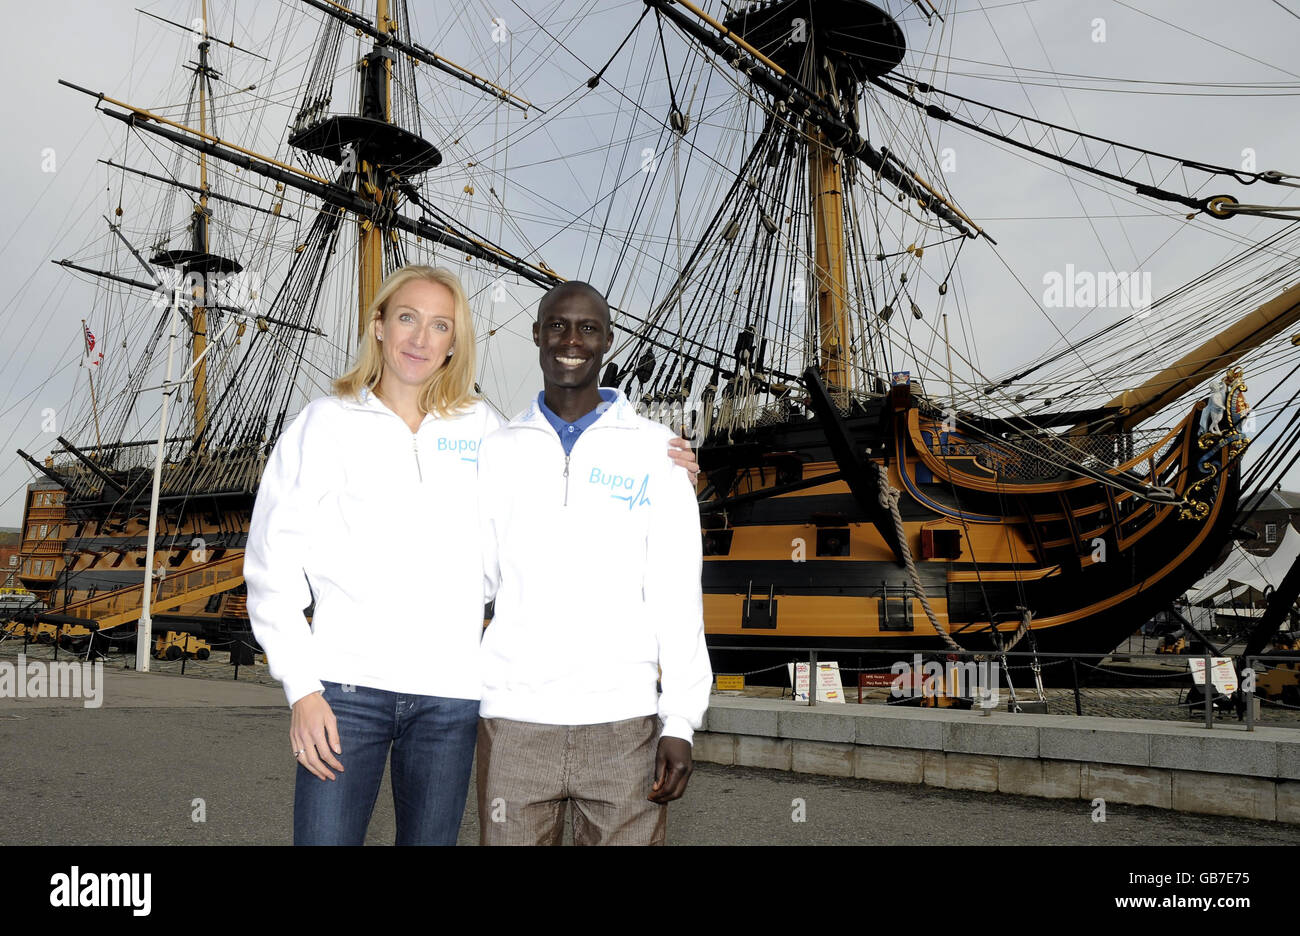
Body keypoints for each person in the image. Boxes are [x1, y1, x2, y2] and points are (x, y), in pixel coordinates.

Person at [246, 265, 698, 845]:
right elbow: (271, 566)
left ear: (454, 342)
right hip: (345, 689)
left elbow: (537, 523)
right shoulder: (322, 424)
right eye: (406, 318)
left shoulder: (486, 430)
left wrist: (676, 474)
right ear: (378, 325)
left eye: (439, 325)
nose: (419, 338)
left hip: (450, 696)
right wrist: (301, 687)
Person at [476, 280, 712, 846]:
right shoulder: (498, 450)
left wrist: (679, 720)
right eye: (557, 325)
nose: (571, 340)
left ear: (607, 340)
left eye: (587, 328)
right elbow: (468, 583)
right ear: (536, 334)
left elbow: (677, 594)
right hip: (514, 720)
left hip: (624, 722)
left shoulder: (657, 453)